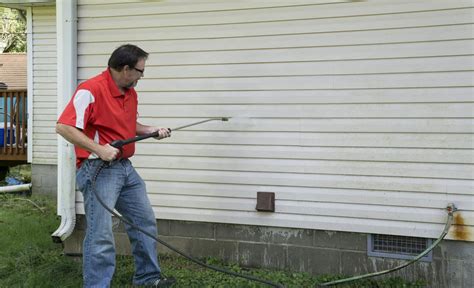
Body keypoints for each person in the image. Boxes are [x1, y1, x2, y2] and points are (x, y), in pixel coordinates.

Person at [56, 44, 175, 288]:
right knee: (101, 235)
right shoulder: (90, 90)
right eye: (140, 71)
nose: (142, 76)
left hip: (124, 169)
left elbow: (127, 126)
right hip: (98, 171)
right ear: (125, 68)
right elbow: (64, 127)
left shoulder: (130, 92)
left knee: (144, 222)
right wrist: (99, 149)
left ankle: (147, 278)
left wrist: (151, 130)